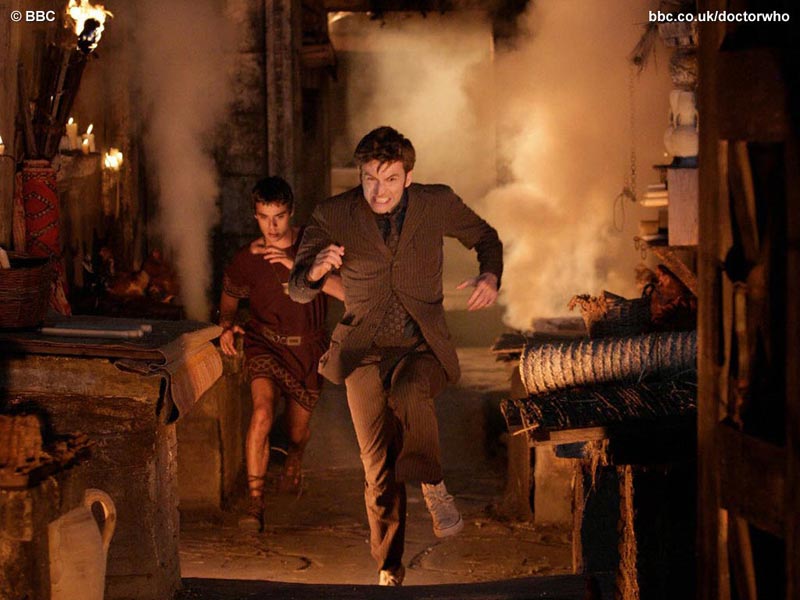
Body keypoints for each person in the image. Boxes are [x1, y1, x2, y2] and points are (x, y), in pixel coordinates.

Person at [289, 127, 503, 585]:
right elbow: (298, 289)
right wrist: (315, 270)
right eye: (370, 178)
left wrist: (490, 276)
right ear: (360, 175)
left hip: (422, 346)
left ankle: (434, 485)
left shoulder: (436, 202)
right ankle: (389, 566)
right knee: (378, 469)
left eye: (389, 179)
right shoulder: (333, 213)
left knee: (409, 392)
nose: (379, 191)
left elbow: (486, 237)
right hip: (362, 353)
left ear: (408, 176)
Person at [219, 176, 344, 532]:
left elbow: (348, 293)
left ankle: (295, 455)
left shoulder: (314, 245)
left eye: (279, 217)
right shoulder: (247, 259)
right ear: (255, 216)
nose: (272, 227)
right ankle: (255, 503)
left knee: (296, 431)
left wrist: (297, 265)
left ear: (291, 213)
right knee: (261, 412)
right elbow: (229, 300)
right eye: (264, 217)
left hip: (308, 348)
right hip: (265, 343)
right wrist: (226, 325)